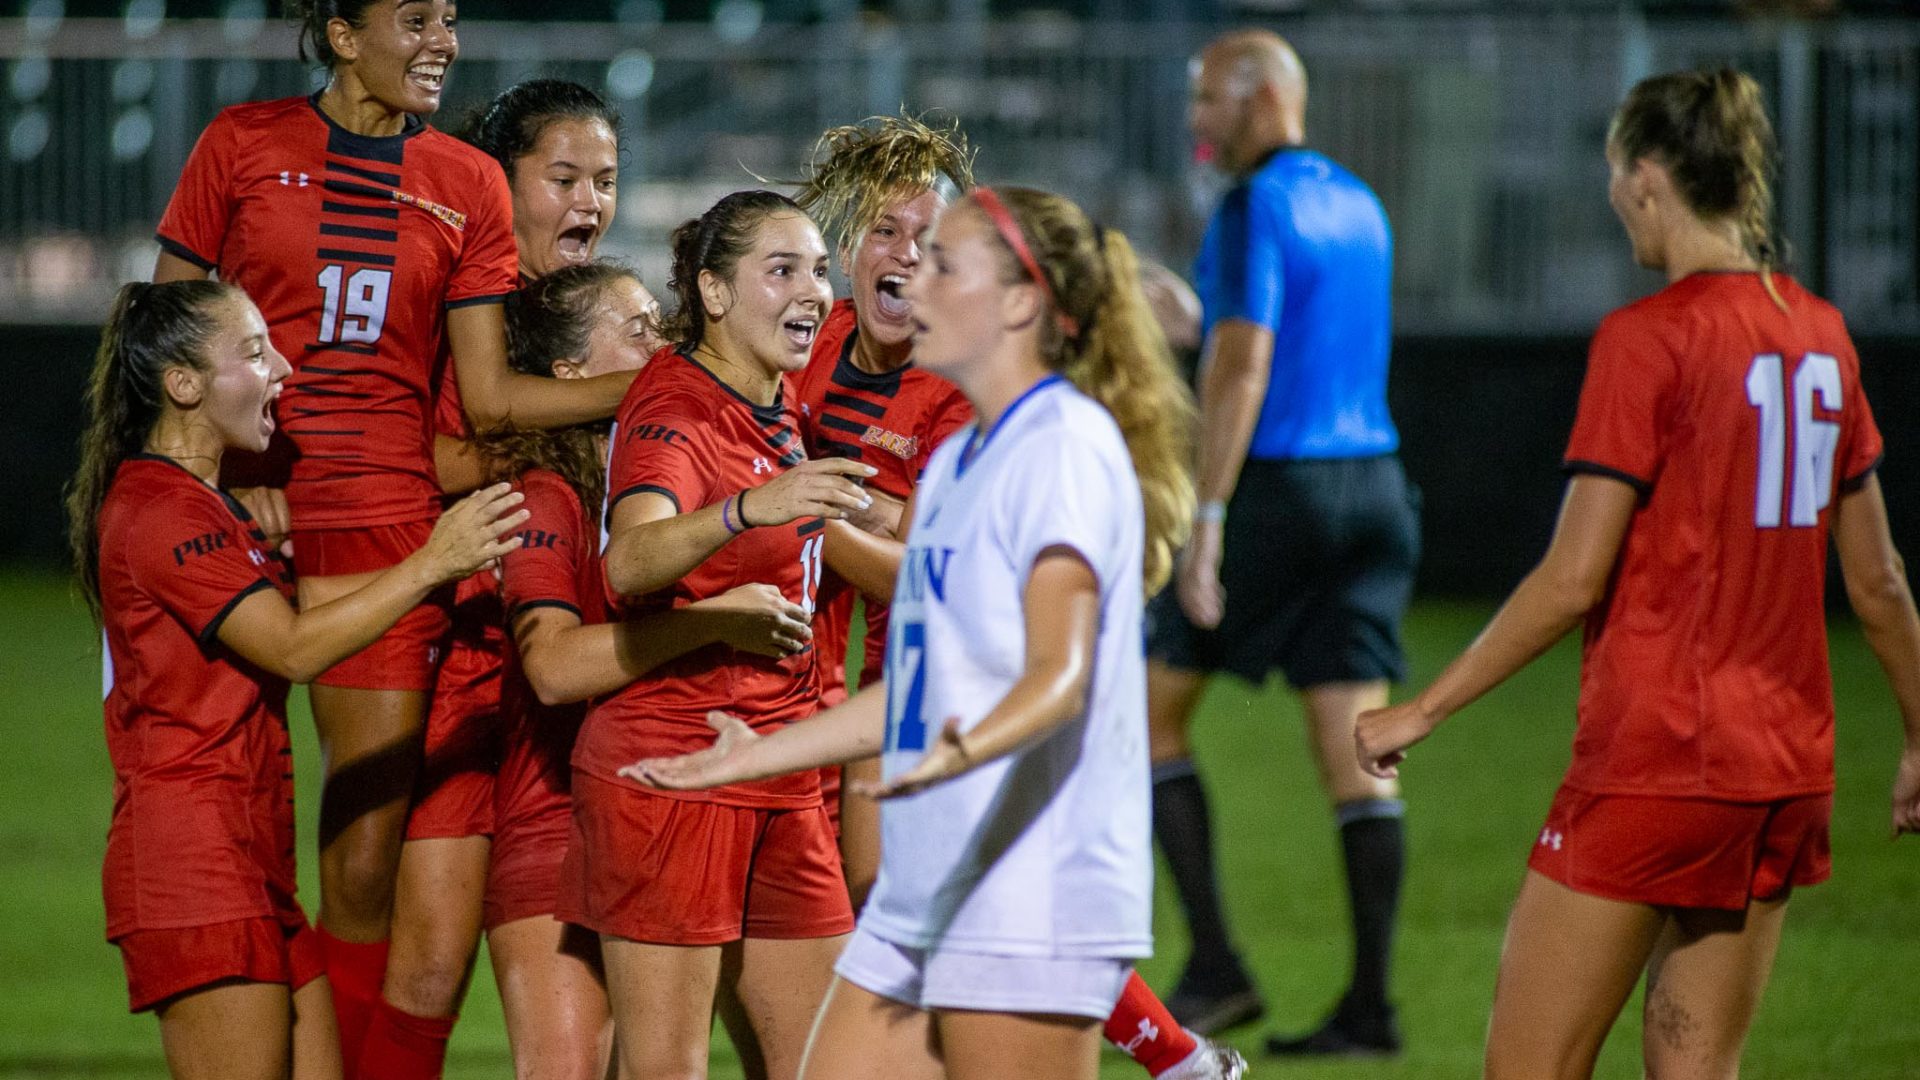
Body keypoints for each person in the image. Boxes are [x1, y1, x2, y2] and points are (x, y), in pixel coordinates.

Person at [1357, 68, 1920, 1080]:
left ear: (1652, 175)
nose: (1614, 192)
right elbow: (1878, 584)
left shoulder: (1649, 339)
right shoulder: (1823, 337)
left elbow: (1573, 579)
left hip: (1659, 763)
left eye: (1617, 170)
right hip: (1782, 773)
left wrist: (1421, 711)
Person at [150, 6, 633, 1071]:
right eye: (414, 17)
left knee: (398, 885)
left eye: (450, 19)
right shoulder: (244, 147)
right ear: (337, 30)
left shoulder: (491, 212)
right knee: (261, 845)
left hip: (456, 582)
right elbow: (164, 344)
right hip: (320, 545)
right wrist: (229, 478)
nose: (441, 40)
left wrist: (666, 378)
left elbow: (487, 409)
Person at [629, 184, 1196, 1080]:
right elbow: (925, 685)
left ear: (1018, 304)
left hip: (1027, 873)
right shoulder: (966, 462)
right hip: (932, 876)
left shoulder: (1060, 446)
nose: (911, 283)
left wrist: (954, 752)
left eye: (943, 263)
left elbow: (1063, 674)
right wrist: (753, 756)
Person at [789, 114, 1243, 1080]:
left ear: (1015, 305)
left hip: (1018, 852)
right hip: (908, 722)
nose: (910, 265)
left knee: (875, 886)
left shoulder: (1036, 435)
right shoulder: (897, 400)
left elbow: (1043, 664)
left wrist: (797, 513)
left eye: (939, 251)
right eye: (888, 235)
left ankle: (1178, 1060)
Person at [68, 280, 525, 1080]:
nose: (281, 367)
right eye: (252, 353)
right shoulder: (159, 509)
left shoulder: (205, 505)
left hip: (252, 858)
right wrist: (432, 562)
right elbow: (293, 649)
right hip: (192, 866)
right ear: (182, 386)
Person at [1148, 29, 1419, 1055]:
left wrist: (1207, 517)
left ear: (1262, 97)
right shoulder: (1357, 201)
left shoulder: (1252, 203)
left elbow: (1246, 366)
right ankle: (1372, 1008)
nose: (1194, 117)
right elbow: (1302, 337)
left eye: (1207, 96)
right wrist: (1205, 318)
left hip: (1279, 489)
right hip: (1376, 488)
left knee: (1145, 709)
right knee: (1360, 751)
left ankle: (1214, 964)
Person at [574, 189, 875, 1080]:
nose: (811, 292)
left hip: (773, 762)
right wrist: (747, 509)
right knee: (667, 1069)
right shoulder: (677, 408)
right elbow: (628, 565)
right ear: (711, 292)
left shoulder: (777, 400)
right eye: (780, 271)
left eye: (819, 270)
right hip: (677, 769)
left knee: (828, 1064)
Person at [367, 79, 631, 1080]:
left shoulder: (601, 317)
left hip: (574, 663)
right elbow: (412, 461)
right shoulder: (446, 307)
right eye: (562, 177)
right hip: (465, 657)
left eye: (604, 179)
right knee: (430, 960)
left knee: (598, 960)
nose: (589, 201)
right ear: (493, 182)